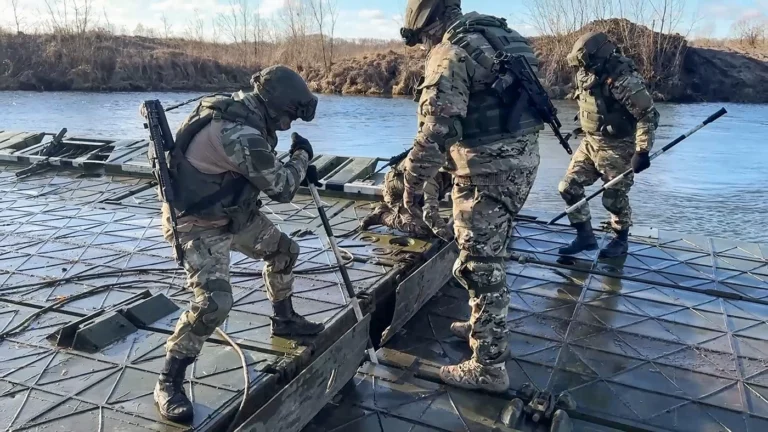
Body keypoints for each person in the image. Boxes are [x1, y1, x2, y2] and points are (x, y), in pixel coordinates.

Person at [147, 65, 324, 422]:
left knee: (284, 251)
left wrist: (293, 165)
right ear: (275, 106)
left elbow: (263, 171)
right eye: (290, 116)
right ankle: (169, 380)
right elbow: (283, 188)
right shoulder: (239, 132)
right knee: (215, 302)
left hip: (232, 214)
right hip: (198, 225)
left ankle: (284, 319)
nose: (290, 124)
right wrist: (302, 157)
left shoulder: (246, 113)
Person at [399, 0, 542, 392]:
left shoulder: (450, 52)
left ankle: (489, 366)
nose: (424, 44)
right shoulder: (498, 36)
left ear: (427, 22)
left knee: (480, 269)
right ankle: (486, 331)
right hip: (520, 165)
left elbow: (437, 131)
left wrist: (411, 181)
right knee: (490, 257)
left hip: (486, 175)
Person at [557, 32, 659, 258]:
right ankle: (585, 236)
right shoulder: (586, 74)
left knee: (613, 199)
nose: (583, 69)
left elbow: (648, 115)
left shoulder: (624, 80)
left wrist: (642, 150)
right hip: (591, 142)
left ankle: (620, 240)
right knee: (568, 186)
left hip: (618, 147)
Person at [360, 153, 452, 240]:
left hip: (416, 195)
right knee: (424, 229)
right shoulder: (430, 178)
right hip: (397, 195)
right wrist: (448, 234)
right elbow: (426, 211)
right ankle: (381, 216)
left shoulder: (453, 168)